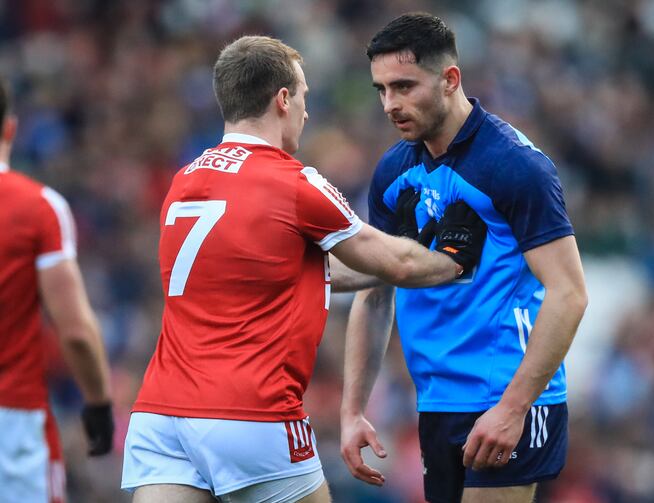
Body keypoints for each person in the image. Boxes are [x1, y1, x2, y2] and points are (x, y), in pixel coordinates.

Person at [121, 35, 487, 503]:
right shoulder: (294, 182)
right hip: (250, 412)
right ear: (282, 100)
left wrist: (404, 259)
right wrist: (451, 259)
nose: (307, 114)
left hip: (161, 414)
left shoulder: (185, 179)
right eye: (305, 98)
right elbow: (394, 260)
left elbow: (299, 272)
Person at [339, 12, 589, 503]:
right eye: (382, 89)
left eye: (405, 87)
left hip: (505, 394)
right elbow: (373, 293)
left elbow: (570, 293)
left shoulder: (513, 166)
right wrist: (352, 411)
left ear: (450, 79)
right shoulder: (393, 170)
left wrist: (514, 407)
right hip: (437, 400)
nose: (391, 103)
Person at [0, 80, 115, 502]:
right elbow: (76, 331)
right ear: (10, 129)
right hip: (12, 421)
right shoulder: (38, 208)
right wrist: (99, 402)